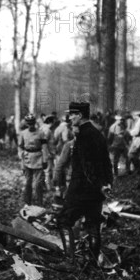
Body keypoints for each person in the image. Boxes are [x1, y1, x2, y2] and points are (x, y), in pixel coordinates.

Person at [56, 102, 113, 259]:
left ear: (80, 116)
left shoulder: (83, 136)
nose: (70, 118)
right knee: (93, 224)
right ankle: (93, 264)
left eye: (73, 115)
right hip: (97, 190)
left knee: (63, 221)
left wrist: (98, 184)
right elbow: (107, 163)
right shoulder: (98, 134)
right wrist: (106, 184)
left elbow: (88, 166)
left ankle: (69, 261)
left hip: (81, 189)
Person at [18, 114, 49, 206]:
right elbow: (20, 146)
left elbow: (45, 147)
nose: (30, 125)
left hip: (38, 158)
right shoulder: (23, 133)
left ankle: (40, 203)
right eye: (29, 123)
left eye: (32, 123)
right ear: (27, 124)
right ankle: (28, 203)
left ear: (34, 123)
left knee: (38, 184)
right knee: (27, 183)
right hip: (27, 158)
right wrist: (21, 156)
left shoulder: (41, 133)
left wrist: (45, 160)